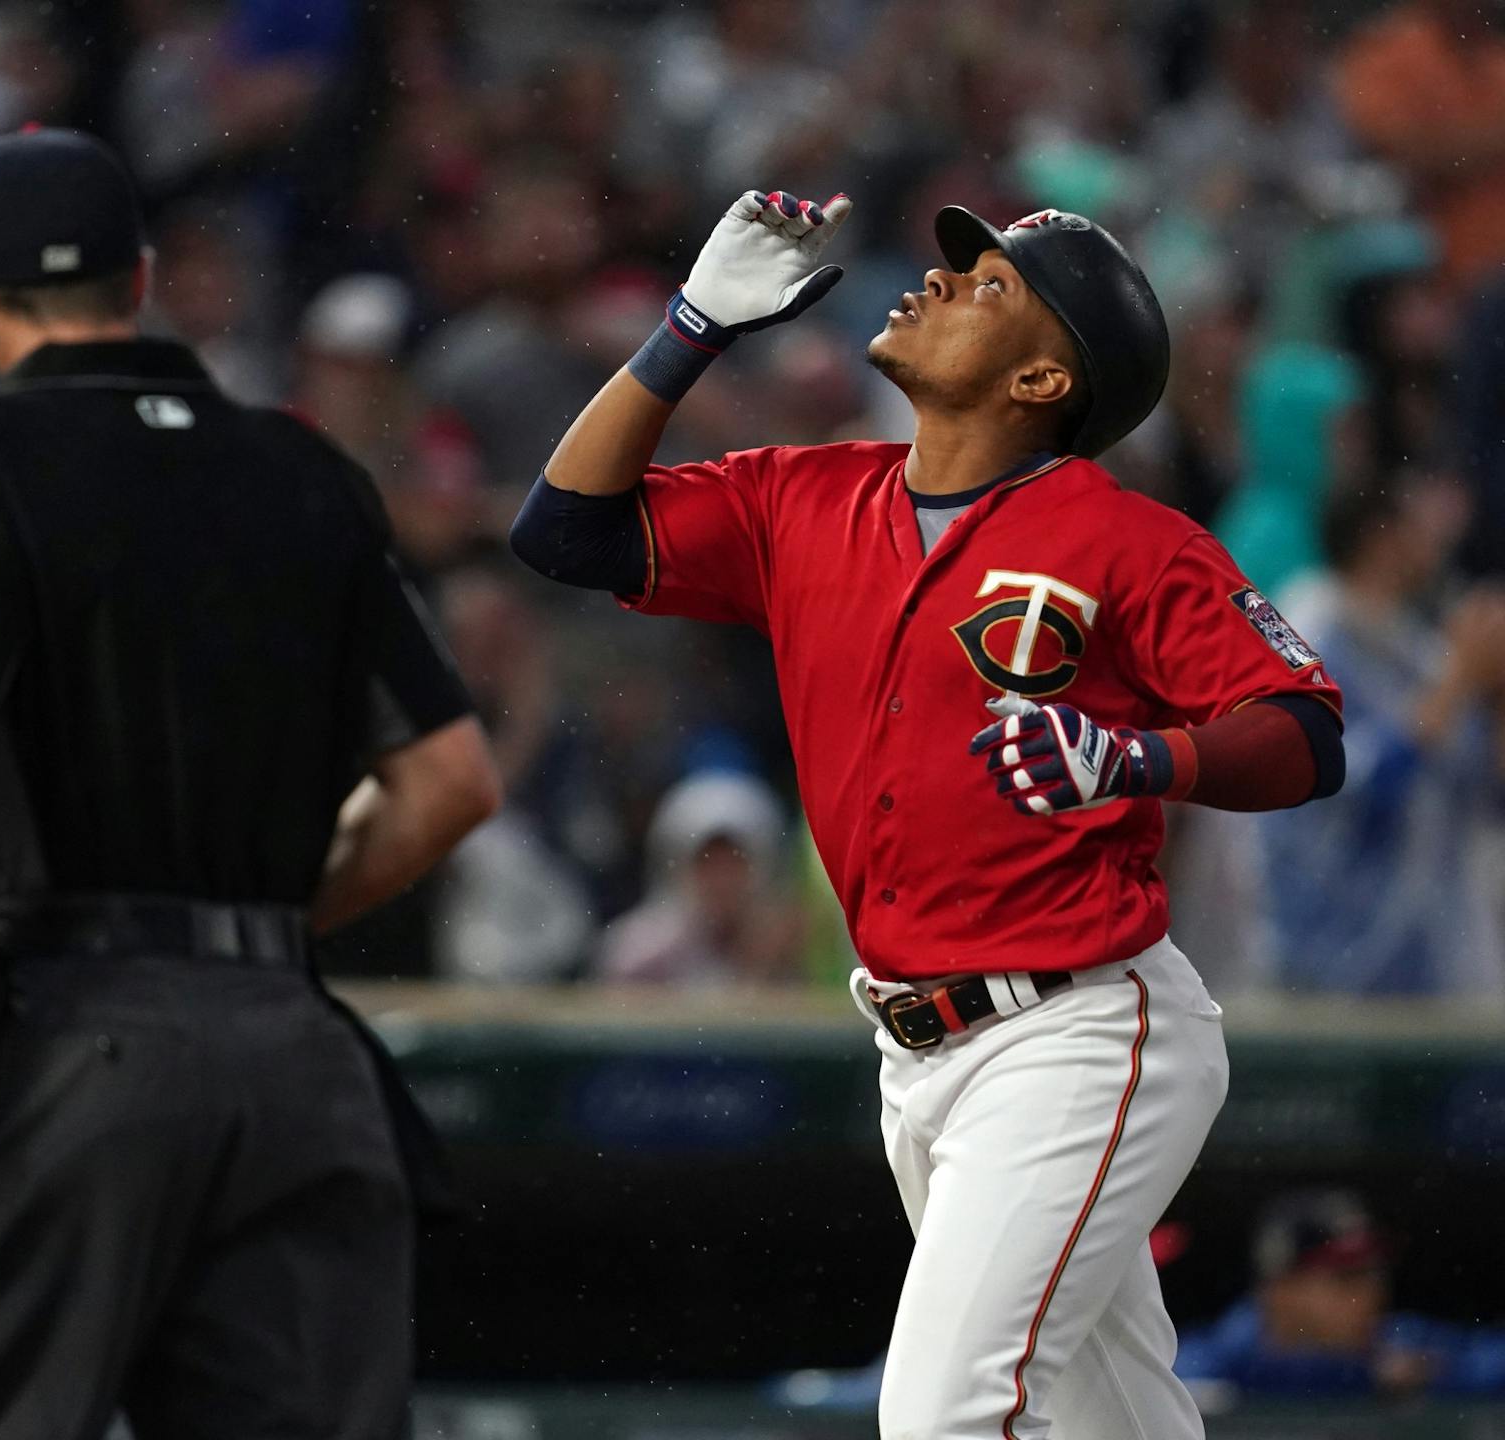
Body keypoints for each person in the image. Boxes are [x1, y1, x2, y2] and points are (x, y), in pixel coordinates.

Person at [511, 190, 1347, 1438]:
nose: (944, 280)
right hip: (917, 1050)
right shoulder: (805, 497)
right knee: (1116, 1418)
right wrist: (688, 328)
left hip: (1075, 1026)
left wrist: (1139, 760)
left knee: (947, 1413)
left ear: (1045, 378)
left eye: (993, 284)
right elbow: (565, 532)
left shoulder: (1128, 540)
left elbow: (1306, 735)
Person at [0, 128, 499, 1440]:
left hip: (70, 1038)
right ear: (139, 279)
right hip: (297, 1058)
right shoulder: (301, 470)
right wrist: (254, 931)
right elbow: (450, 783)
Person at [1257, 475, 1505, 996]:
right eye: (1416, 525)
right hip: (1326, 958)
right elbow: (1347, 773)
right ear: (1381, 537)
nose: (1433, 541)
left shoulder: (1410, 640)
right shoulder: (1307, 628)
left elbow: (1475, 782)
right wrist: (1461, 679)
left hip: (1420, 961)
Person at [1177, 1189, 1505, 1398]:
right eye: (1346, 1278)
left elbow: (1490, 1361)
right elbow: (1222, 1371)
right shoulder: (1202, 1362)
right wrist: (1359, 1377)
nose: (1373, 1293)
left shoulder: (1402, 1344)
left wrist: (1437, 1375)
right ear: (1280, 1290)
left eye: (1375, 1274)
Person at [596, 768, 801, 987]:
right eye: (707, 862)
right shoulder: (637, 952)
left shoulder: (792, 946)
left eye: (735, 862)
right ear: (678, 865)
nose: (722, 880)